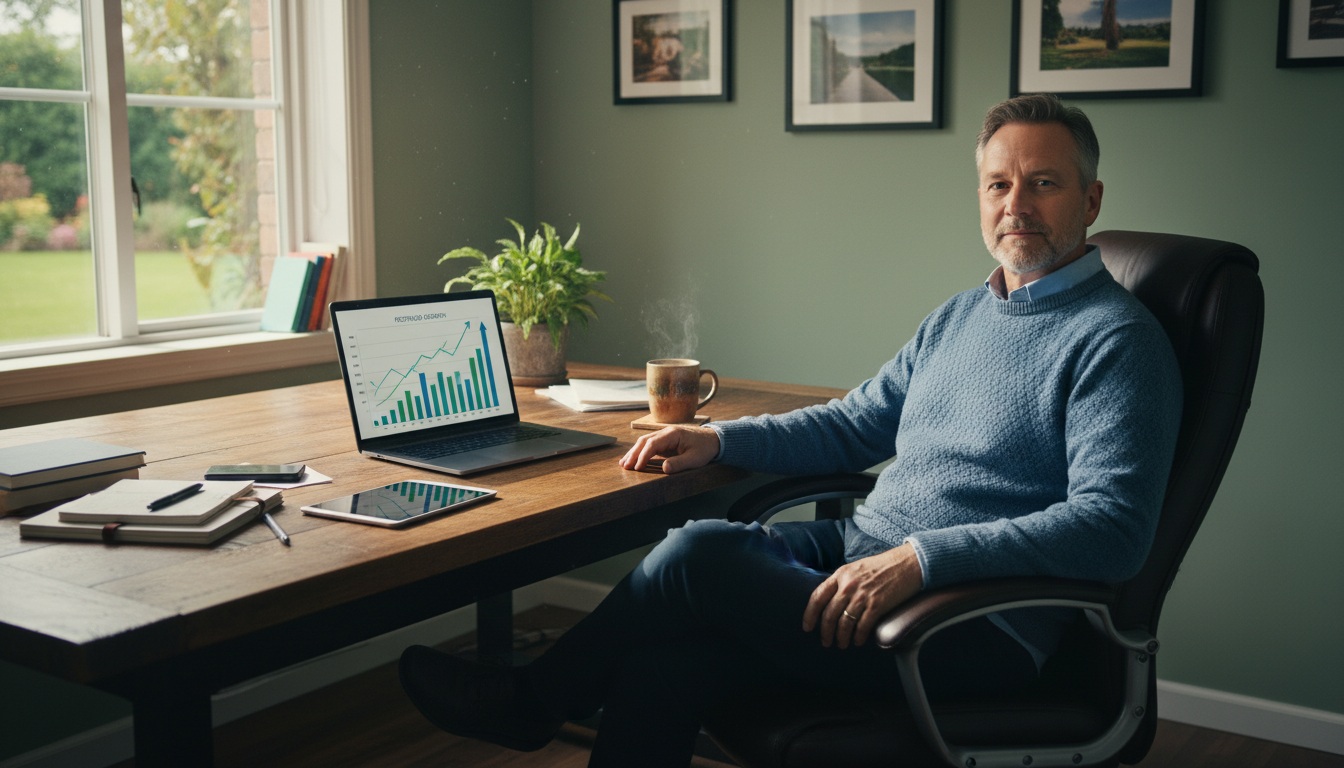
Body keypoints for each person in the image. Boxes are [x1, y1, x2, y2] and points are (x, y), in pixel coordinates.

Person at [397, 93, 1183, 766]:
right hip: (865, 560)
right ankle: (535, 703)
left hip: (967, 625)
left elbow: (1113, 529)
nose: (1016, 205)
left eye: (1043, 184)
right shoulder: (964, 314)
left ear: (1091, 200)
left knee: (700, 548)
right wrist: (720, 441)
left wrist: (920, 558)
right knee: (667, 662)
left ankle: (533, 702)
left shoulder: (1116, 340)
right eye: (998, 184)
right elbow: (856, 423)